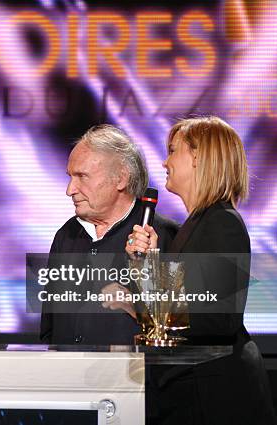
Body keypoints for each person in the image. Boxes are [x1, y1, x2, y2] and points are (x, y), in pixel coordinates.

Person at [126, 116, 276, 424]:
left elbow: (217, 318)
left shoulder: (222, 223)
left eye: (172, 151)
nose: (165, 161)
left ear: (198, 158)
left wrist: (138, 305)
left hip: (215, 397)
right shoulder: (198, 225)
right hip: (191, 391)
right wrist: (150, 261)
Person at [40, 124, 178, 345]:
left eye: (82, 176)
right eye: (70, 177)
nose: (69, 190)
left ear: (121, 179)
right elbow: (49, 325)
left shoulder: (162, 235)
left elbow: (174, 328)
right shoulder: (66, 236)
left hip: (133, 376)